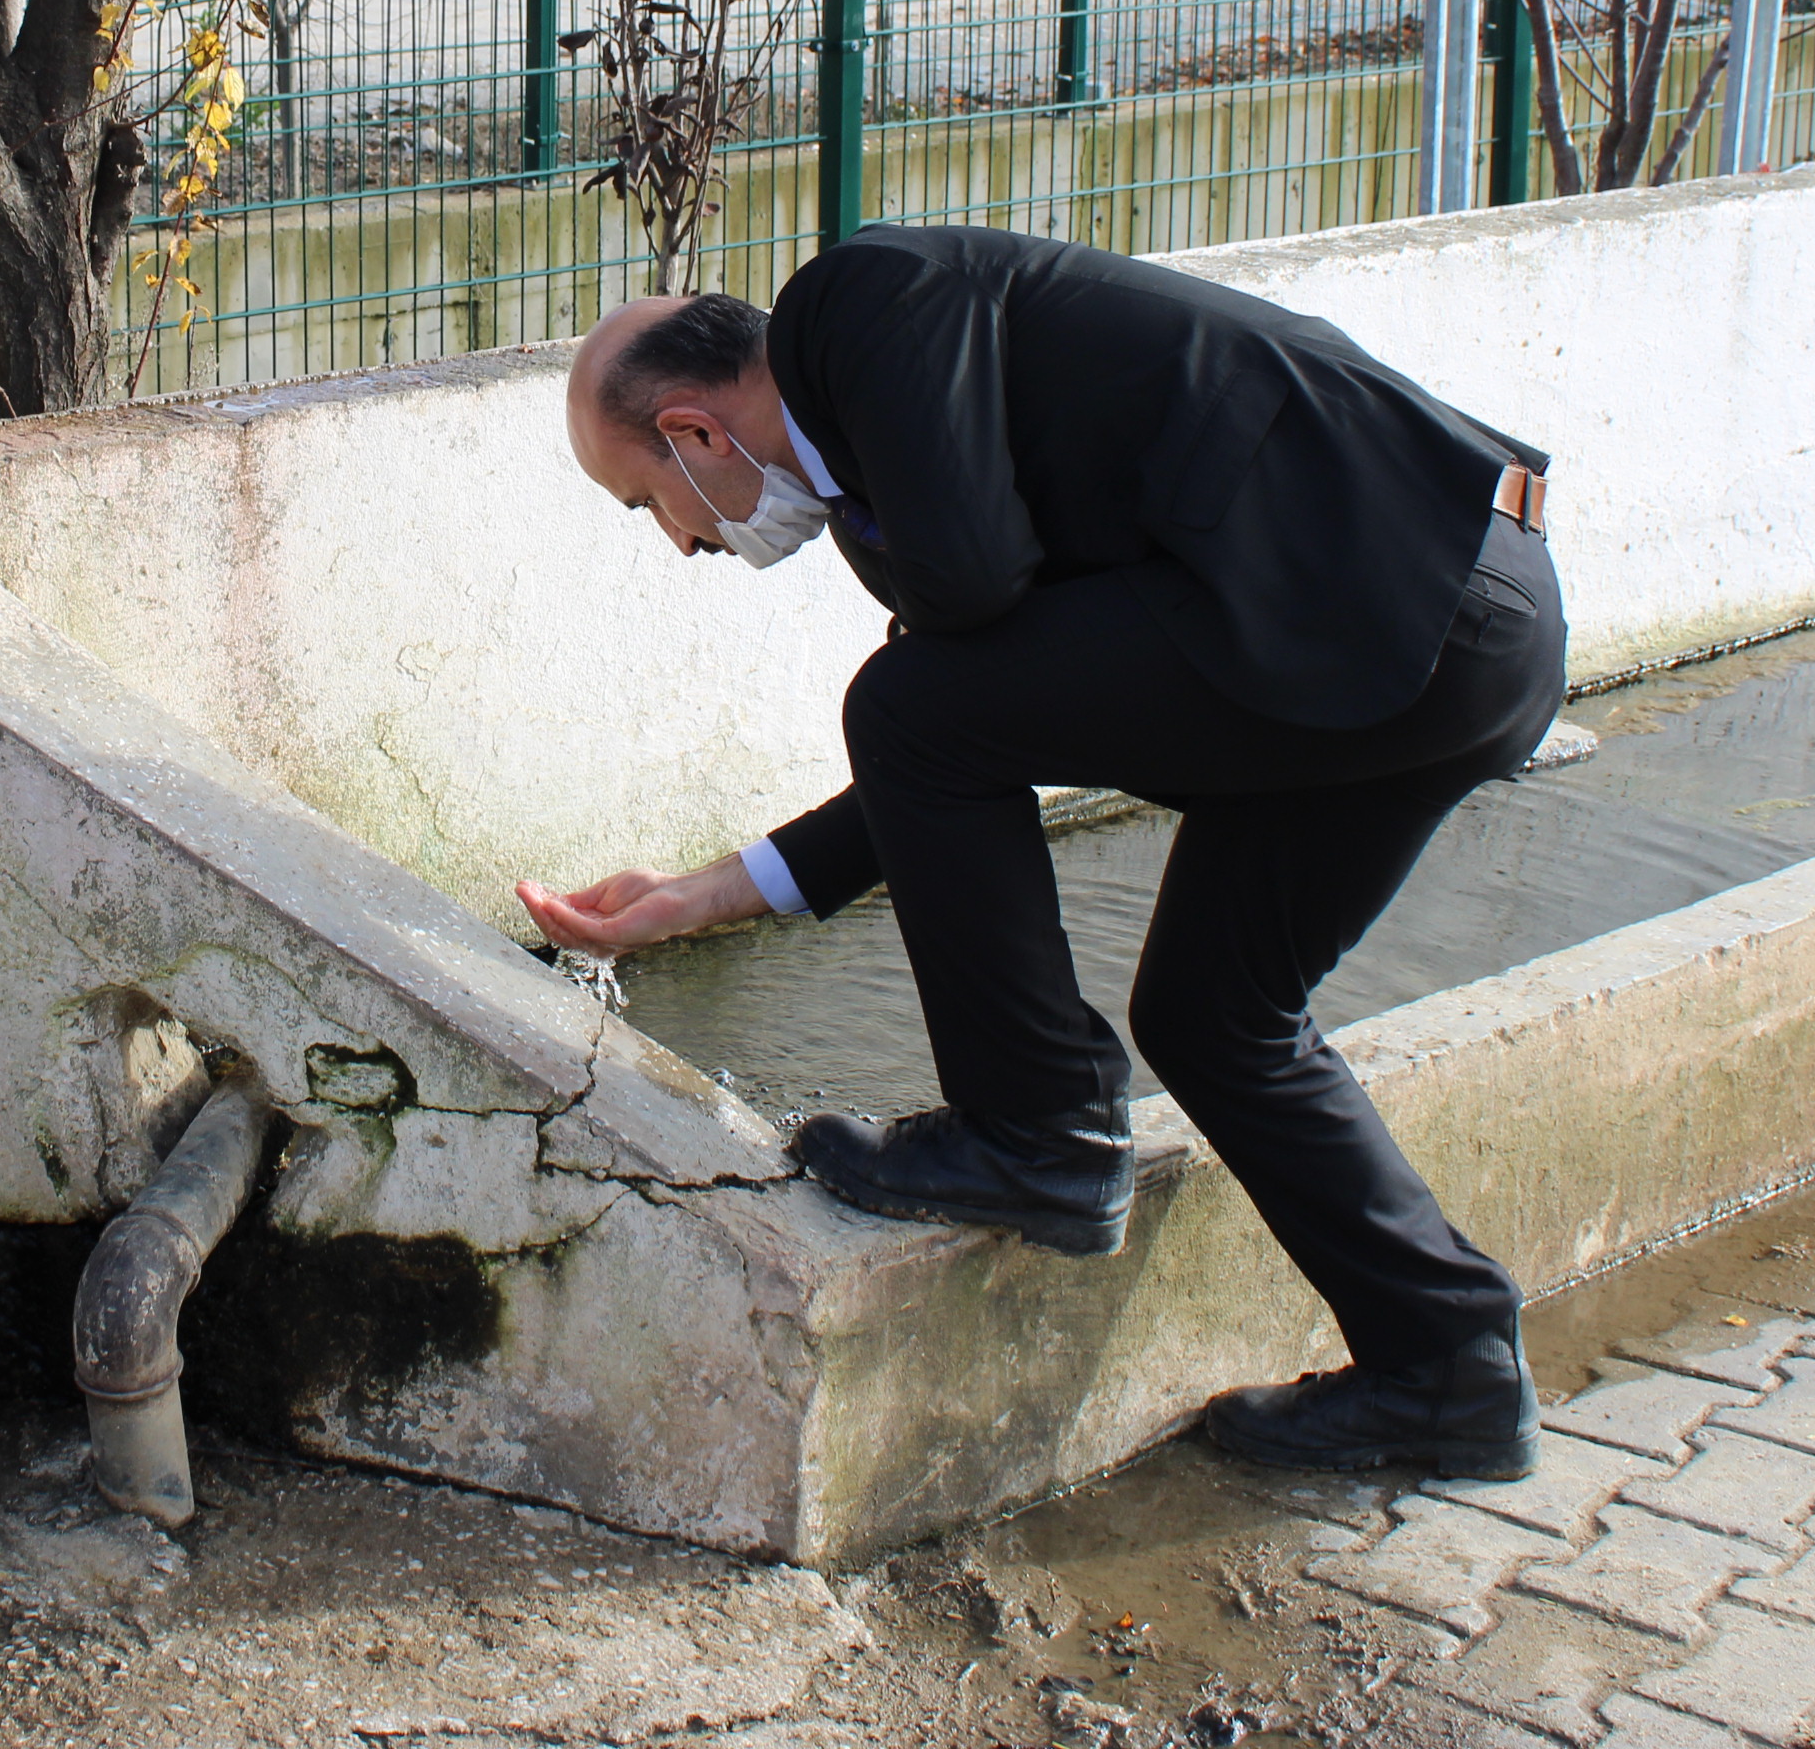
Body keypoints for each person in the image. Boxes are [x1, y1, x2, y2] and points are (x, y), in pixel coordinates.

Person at [521, 226, 1567, 1481]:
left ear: (694, 432)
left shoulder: (853, 304)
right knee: (1213, 1019)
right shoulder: (894, 462)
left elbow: (959, 646)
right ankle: (1449, 1370)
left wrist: (909, 605)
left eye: (648, 503)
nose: (682, 544)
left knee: (911, 703)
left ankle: (1038, 1133)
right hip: (1413, 622)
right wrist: (705, 893)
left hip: (1392, 588)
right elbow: (973, 718)